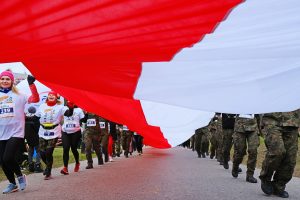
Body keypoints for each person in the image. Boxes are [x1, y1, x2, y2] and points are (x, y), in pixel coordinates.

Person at [0, 71, 39, 194]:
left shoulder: (20, 95)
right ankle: (12, 184)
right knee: (2, 161)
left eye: (7, 79)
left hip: (16, 131)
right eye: (2, 79)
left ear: (12, 81)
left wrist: (32, 85)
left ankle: (20, 175)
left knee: (8, 157)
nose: (5, 81)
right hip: (1, 132)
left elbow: (35, 98)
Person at [259, 110, 300, 198]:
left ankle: (278, 186)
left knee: (290, 159)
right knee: (277, 151)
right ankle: (266, 178)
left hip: (292, 122)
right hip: (272, 120)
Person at [36, 91, 74, 180]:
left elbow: (69, 113)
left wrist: (71, 107)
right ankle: (48, 166)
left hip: (54, 131)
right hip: (42, 131)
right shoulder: (42, 106)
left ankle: (48, 172)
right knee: (42, 153)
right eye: (49, 95)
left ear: (56, 97)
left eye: (53, 95)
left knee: (49, 152)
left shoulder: (60, 107)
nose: (51, 96)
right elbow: (36, 116)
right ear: (47, 97)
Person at [232, 114, 260, 183]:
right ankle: (235, 166)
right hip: (240, 127)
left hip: (253, 127)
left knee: (253, 150)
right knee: (240, 151)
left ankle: (250, 175)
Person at [60, 102, 85, 175]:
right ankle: (65, 168)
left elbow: (84, 120)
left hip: (75, 131)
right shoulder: (64, 108)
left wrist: (86, 113)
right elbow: (65, 114)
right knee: (66, 148)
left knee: (74, 148)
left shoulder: (79, 110)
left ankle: (77, 162)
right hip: (65, 131)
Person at [24, 102, 43, 173]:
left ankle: (30, 165)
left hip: (28, 137)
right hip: (35, 137)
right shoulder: (35, 119)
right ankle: (37, 166)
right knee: (38, 151)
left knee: (30, 151)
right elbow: (38, 128)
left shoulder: (25, 119)